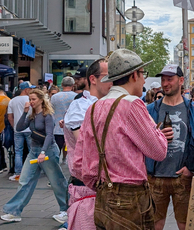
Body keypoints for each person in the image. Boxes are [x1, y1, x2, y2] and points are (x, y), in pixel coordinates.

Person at [74, 49, 168, 229]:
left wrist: (102, 184)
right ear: (134, 75)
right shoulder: (132, 104)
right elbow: (159, 151)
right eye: (143, 74)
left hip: (102, 194)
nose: (143, 80)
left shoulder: (93, 108)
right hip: (130, 196)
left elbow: (79, 164)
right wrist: (158, 132)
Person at [145, 64, 194, 230]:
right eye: (163, 79)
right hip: (155, 177)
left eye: (169, 79)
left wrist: (192, 168)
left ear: (180, 81)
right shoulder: (150, 110)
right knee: (154, 224)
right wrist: (157, 137)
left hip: (182, 178)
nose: (165, 83)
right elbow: (141, 141)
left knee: (185, 224)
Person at [0, 89, 69, 223]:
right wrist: (25, 112)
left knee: (57, 182)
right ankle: (14, 211)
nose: (31, 102)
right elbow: (19, 128)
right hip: (34, 151)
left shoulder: (47, 115)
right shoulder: (31, 115)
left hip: (47, 151)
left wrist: (43, 152)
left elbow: (49, 135)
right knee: (24, 180)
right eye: (30, 99)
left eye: (33, 99)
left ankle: (66, 209)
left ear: (41, 100)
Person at [63, 59, 112, 230]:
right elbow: (89, 146)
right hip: (88, 188)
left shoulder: (108, 104)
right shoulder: (80, 106)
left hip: (107, 187)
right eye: (108, 76)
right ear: (93, 79)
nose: (113, 82)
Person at [7, 82, 33, 181]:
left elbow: (10, 117)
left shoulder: (12, 101)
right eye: (30, 89)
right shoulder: (30, 100)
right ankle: (32, 171)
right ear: (26, 89)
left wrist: (15, 127)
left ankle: (18, 172)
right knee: (32, 151)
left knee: (18, 151)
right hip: (29, 129)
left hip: (18, 130)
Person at [51, 77, 76, 163]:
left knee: (57, 146)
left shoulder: (54, 97)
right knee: (70, 146)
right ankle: (65, 159)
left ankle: (56, 162)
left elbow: (51, 110)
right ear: (73, 85)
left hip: (57, 127)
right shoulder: (76, 96)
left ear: (62, 85)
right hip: (71, 127)